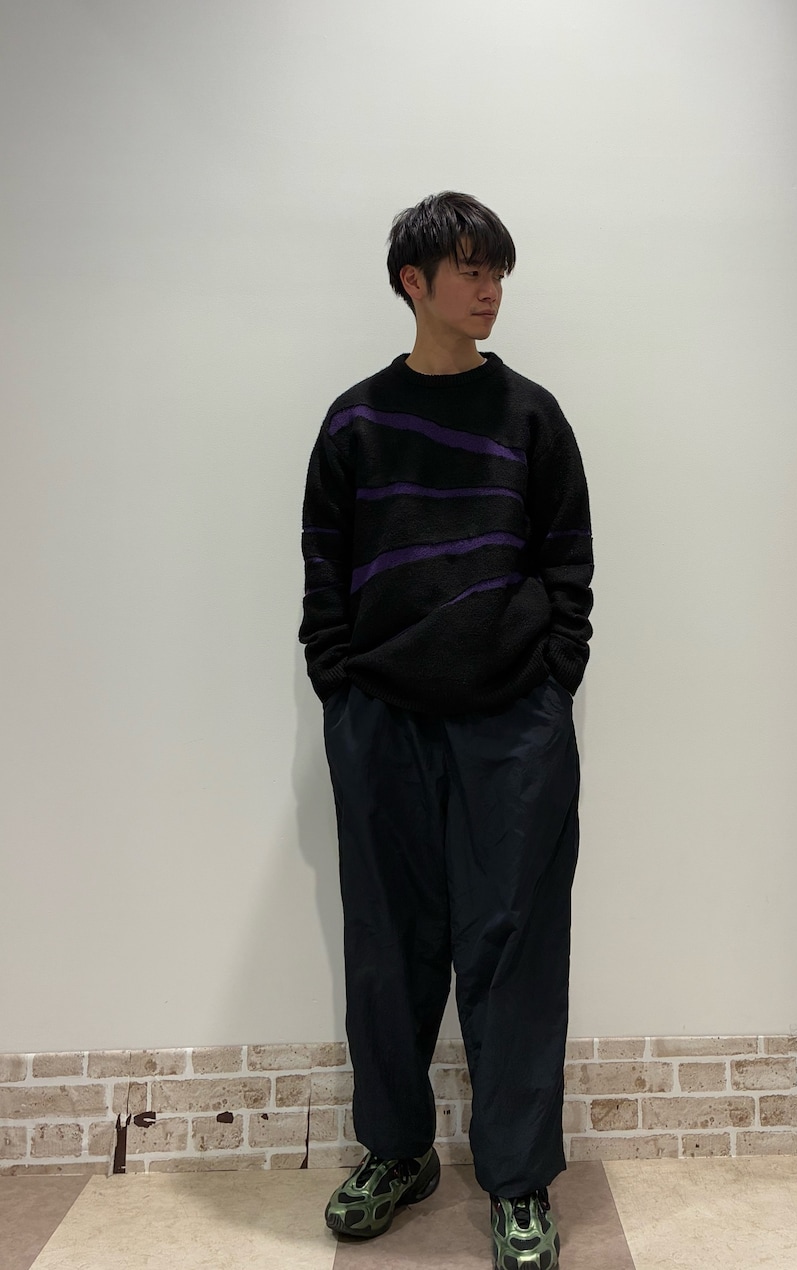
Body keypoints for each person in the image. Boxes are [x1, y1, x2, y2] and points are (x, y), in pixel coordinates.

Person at [299, 191, 593, 1270]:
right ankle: (396, 1151)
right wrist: (341, 689)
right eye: (471, 269)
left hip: (514, 725)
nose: (490, 288)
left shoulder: (532, 417)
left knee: (515, 949)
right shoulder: (355, 423)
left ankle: (517, 1180)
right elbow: (321, 570)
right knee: (389, 948)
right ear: (412, 282)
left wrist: (554, 679)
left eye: (497, 270)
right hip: (381, 720)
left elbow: (569, 565)